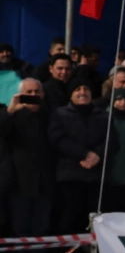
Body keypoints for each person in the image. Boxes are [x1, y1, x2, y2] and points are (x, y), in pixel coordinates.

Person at [0, 78, 54, 253]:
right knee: (20, 231)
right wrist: (10, 110)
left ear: (42, 94)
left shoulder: (50, 115)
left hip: (45, 184)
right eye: (28, 92)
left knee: (41, 230)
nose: (32, 96)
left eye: (36, 92)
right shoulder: (12, 115)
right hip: (18, 185)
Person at [48, 75, 111, 233]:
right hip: (70, 176)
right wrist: (83, 154)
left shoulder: (103, 115)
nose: (82, 92)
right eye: (77, 89)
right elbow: (57, 139)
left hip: (96, 176)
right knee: (68, 217)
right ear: (70, 94)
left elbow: (112, 139)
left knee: (94, 220)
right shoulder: (60, 114)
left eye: (86, 88)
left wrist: (96, 154)